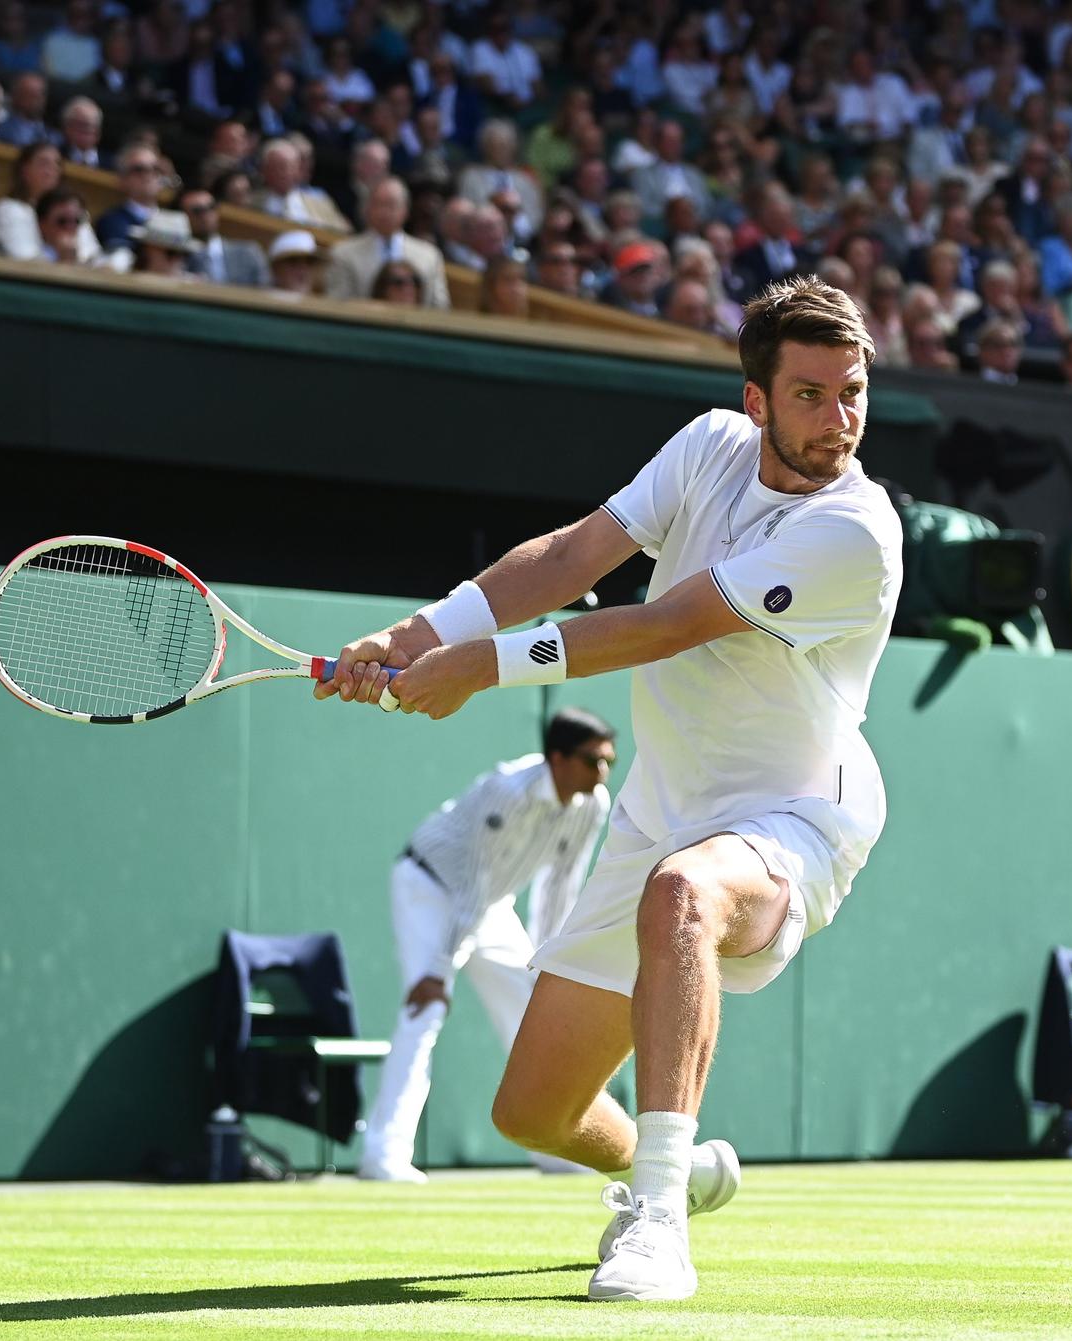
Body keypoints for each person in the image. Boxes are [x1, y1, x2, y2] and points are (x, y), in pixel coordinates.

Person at [317, 277, 901, 1303]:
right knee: (534, 1114)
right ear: (756, 401)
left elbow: (662, 623)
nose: (838, 421)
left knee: (683, 893)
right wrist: (416, 638)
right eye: (809, 395)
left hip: (796, 813)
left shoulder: (853, 532)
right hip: (661, 805)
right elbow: (575, 556)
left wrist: (479, 669)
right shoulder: (708, 445)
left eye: (852, 393)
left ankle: (659, 1224)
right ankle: (676, 1168)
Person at [360, 710, 622, 1183]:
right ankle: (384, 1153)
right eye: (592, 761)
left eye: (609, 762)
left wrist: (551, 958)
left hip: (489, 903)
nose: (601, 773)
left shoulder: (592, 803)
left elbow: (561, 885)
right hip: (431, 887)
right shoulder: (508, 792)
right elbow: (472, 886)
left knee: (534, 1011)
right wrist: (439, 969)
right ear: (557, 759)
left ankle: (555, 1144)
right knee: (426, 1009)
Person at [323, 177, 450, 308]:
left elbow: (440, 309)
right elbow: (337, 306)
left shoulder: (429, 256)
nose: (384, 212)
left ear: (405, 210)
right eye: (378, 204)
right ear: (368, 209)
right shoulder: (343, 254)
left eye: (391, 205)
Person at [0, 141, 103, 264]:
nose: (51, 171)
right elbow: (23, 258)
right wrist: (62, 256)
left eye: (57, 165)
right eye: (43, 164)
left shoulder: (74, 211)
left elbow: (93, 258)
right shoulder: (10, 208)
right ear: (24, 170)